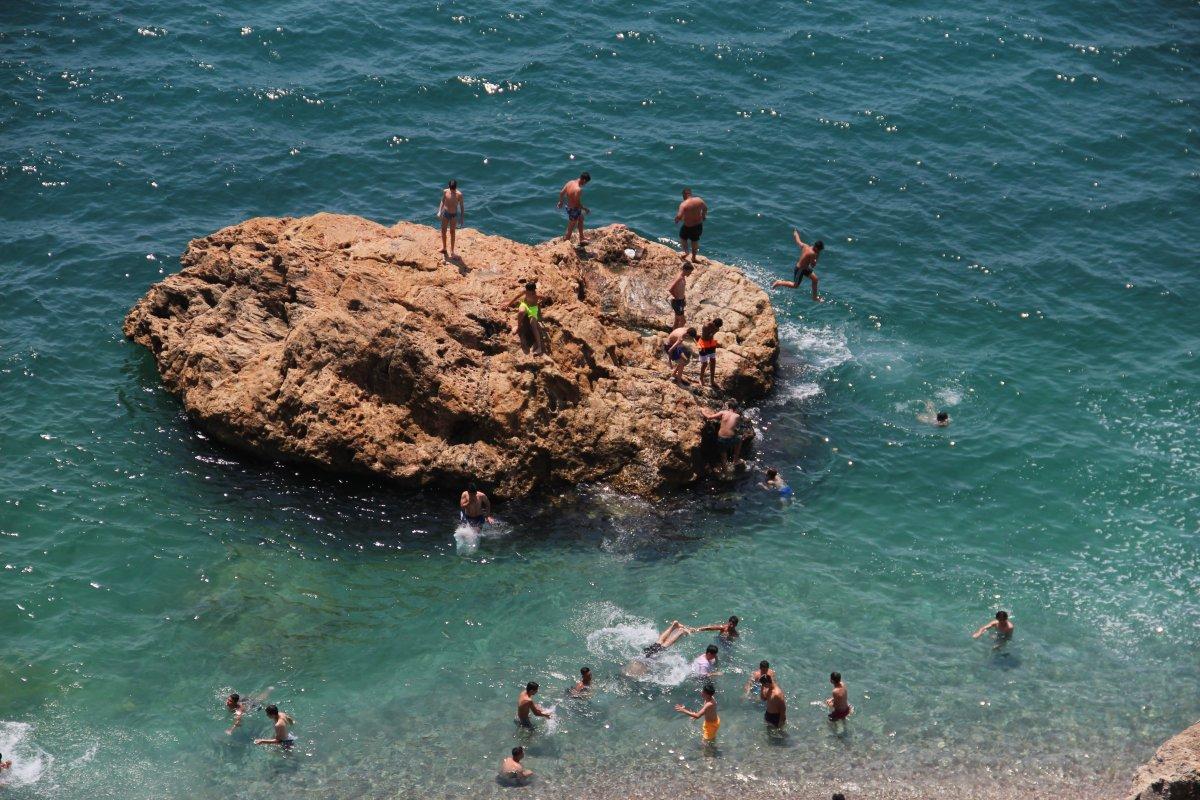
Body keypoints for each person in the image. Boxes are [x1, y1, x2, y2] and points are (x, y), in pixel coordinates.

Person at [771, 229, 824, 301]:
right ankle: (779, 282)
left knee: (815, 279)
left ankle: (814, 297)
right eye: (819, 250)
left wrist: (795, 233)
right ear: (816, 248)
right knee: (795, 285)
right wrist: (816, 259)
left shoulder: (806, 246)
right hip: (800, 269)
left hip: (805, 268)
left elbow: (798, 241)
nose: (819, 251)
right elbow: (812, 265)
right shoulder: (813, 254)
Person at [509, 281, 546, 356]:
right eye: (526, 290)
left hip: (533, 308)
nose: (527, 292)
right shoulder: (525, 291)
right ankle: (519, 327)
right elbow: (517, 296)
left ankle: (539, 347)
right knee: (521, 312)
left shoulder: (536, 295)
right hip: (525, 304)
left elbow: (545, 298)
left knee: (533, 325)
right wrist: (509, 304)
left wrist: (539, 304)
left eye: (529, 291)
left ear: (532, 290)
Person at [557, 172, 591, 245]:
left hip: (569, 207)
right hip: (574, 210)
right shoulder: (578, 189)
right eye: (586, 183)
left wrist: (560, 202)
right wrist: (585, 209)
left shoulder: (570, 182)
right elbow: (577, 203)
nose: (585, 184)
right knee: (570, 228)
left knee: (581, 218)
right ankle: (566, 244)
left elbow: (561, 193)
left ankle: (582, 238)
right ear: (584, 180)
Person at [675, 188, 708, 262]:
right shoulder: (699, 200)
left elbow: (679, 216)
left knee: (683, 237)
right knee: (695, 241)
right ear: (690, 194)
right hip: (698, 225)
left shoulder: (683, 205)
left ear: (684, 195)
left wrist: (677, 219)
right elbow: (705, 208)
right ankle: (694, 258)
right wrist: (703, 216)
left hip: (688, 226)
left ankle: (686, 252)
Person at [437, 179, 465, 259]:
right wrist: (439, 211)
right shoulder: (445, 191)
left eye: (454, 190)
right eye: (451, 190)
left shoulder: (459, 194)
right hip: (445, 214)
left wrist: (462, 218)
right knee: (443, 231)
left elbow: (462, 207)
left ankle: (452, 252)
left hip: (453, 215)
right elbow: (442, 200)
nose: (452, 192)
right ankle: (444, 248)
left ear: (455, 188)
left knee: (452, 232)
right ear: (449, 187)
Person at [696, 318, 722, 388]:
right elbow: (707, 336)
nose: (717, 328)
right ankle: (701, 379)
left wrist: (715, 330)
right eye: (716, 326)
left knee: (713, 361)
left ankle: (712, 381)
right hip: (703, 344)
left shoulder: (717, 328)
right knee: (704, 363)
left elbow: (711, 335)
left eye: (718, 327)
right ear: (713, 323)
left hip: (711, 343)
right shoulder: (706, 326)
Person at [667, 262, 693, 327]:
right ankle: (679, 335)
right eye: (690, 271)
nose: (690, 273)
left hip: (680, 301)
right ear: (685, 270)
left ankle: (672, 335)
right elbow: (670, 289)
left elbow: (680, 290)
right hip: (678, 302)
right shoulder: (679, 278)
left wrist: (683, 299)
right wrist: (676, 297)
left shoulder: (682, 277)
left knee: (677, 321)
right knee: (683, 321)